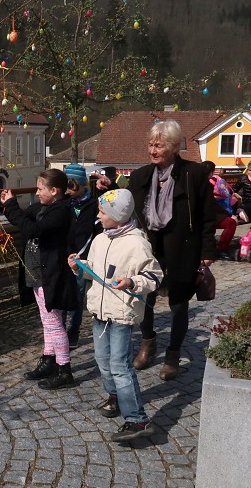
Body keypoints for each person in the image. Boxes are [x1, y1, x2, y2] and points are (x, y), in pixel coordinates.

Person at [99, 120, 217, 381]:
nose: (153, 150)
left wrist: (207, 249)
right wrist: (109, 188)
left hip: (184, 248)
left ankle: (173, 354)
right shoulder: (141, 176)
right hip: (149, 248)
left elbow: (209, 216)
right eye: (151, 145)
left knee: (178, 304)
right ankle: (148, 342)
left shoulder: (194, 174)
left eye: (159, 146)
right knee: (144, 298)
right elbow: (125, 205)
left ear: (175, 147)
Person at [68, 189, 162, 442]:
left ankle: (137, 419)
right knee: (102, 360)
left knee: (120, 366)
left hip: (121, 313)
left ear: (116, 215)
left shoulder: (137, 243)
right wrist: (81, 266)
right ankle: (114, 397)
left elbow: (154, 276)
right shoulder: (100, 239)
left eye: (101, 211)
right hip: (100, 311)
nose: (98, 216)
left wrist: (131, 281)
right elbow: (96, 274)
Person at [0, 169, 78, 390]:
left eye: (40, 189)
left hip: (51, 275)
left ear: (54, 191)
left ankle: (65, 370)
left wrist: (12, 207)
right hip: (38, 274)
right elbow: (23, 218)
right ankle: (49, 360)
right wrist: (5, 205)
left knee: (54, 323)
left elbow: (32, 229)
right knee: (47, 321)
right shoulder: (44, 208)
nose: (36, 192)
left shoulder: (60, 212)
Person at [63, 163, 100, 349]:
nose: (68, 190)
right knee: (62, 295)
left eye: (72, 186)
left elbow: (97, 231)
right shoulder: (64, 204)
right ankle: (59, 331)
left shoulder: (93, 205)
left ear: (81, 184)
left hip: (82, 259)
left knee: (78, 296)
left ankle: (73, 331)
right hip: (64, 256)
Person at [201, 161, 239, 260]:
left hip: (203, 214)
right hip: (205, 215)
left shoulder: (199, 182)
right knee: (230, 223)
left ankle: (218, 249)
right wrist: (229, 215)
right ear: (211, 172)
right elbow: (212, 204)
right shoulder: (206, 184)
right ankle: (221, 249)